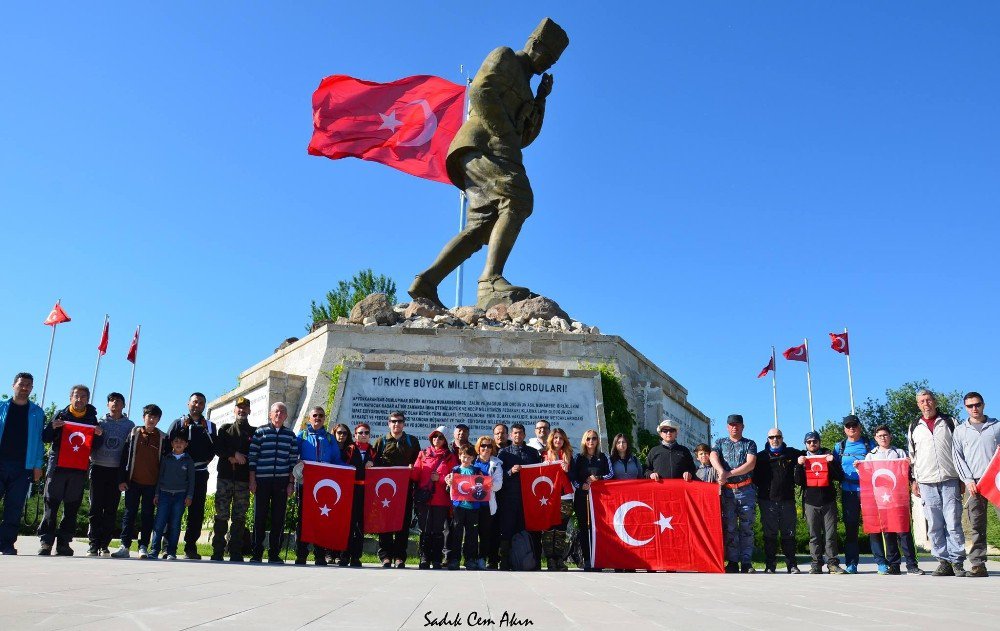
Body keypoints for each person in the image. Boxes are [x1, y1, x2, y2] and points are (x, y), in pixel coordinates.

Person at [407, 18, 570, 309]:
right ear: (534, 44)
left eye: (553, 61)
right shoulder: (505, 56)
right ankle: (490, 282)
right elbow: (481, 91)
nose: (548, 64)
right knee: (518, 198)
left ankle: (427, 281)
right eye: (548, 56)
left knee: (482, 226)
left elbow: (526, 136)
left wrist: (541, 101)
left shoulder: (530, 88)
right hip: (481, 145)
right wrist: (504, 134)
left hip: (493, 149)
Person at [908, 389, 966, 577]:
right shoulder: (914, 426)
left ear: (935, 401)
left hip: (950, 478)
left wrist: (963, 477)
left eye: (929, 400)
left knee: (953, 521)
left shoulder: (950, 422)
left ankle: (957, 561)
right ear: (918, 405)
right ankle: (943, 561)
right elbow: (912, 456)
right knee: (934, 523)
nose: (926, 404)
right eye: (922, 401)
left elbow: (961, 450)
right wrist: (914, 480)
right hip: (925, 481)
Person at [39, 384, 100, 556]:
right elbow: (45, 438)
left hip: (78, 469)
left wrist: (99, 435)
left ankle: (64, 543)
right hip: (57, 466)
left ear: (88, 399)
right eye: (76, 396)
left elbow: (95, 447)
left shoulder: (92, 419)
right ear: (70, 398)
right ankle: (46, 541)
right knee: (51, 504)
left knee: (71, 507)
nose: (79, 399)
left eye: (83, 397)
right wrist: (52, 427)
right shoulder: (61, 415)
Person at [857, 425, 922, 575]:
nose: (883, 438)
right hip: (881, 501)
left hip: (898, 499)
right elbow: (867, 475)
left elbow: (909, 473)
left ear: (890, 436)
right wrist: (859, 467)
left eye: (885, 435)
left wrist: (908, 463)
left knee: (904, 532)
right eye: (880, 436)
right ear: (875, 438)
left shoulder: (899, 453)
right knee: (888, 532)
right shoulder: (871, 456)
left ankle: (912, 564)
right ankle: (894, 564)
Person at [952, 391, 1000, 578]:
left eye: (977, 404)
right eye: (970, 406)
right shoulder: (961, 431)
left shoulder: (996, 426)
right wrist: (968, 480)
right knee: (976, 524)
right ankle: (978, 564)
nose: (974, 408)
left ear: (983, 405)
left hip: (996, 480)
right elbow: (958, 457)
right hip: (975, 483)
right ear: (965, 408)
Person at [165, 392, 217, 559]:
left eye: (201, 403)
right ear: (188, 404)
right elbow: (167, 447)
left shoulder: (210, 426)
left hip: (200, 473)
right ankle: (168, 547)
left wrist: (202, 464)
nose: (197, 405)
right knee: (174, 509)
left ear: (204, 406)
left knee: (196, 512)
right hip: (179, 474)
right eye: (195, 402)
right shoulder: (178, 423)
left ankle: (190, 547)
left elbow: (214, 449)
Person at [248, 402, 299, 564]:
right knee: (259, 517)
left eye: (282, 412)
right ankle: (256, 553)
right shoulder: (260, 432)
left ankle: (274, 553)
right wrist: (252, 481)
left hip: (282, 482)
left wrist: (291, 483)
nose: (279, 414)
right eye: (276, 411)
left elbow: (293, 461)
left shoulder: (290, 435)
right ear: (270, 414)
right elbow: (252, 458)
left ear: (286, 416)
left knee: (278, 518)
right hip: (262, 481)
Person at [0, 372, 45, 555]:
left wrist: (37, 465)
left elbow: (39, 441)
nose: (24, 387)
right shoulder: (2, 407)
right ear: (13, 385)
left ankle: (6, 543)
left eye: (28, 385)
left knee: (14, 506)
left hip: (23, 466)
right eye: (21, 384)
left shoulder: (37, 412)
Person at [113, 404, 165, 559]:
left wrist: (160, 487)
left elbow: (164, 463)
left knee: (148, 516)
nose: (151, 419)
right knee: (129, 514)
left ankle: (143, 546)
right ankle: (125, 546)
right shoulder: (134, 433)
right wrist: (121, 479)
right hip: (132, 482)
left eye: (155, 417)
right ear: (144, 417)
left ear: (158, 419)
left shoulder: (163, 437)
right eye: (149, 416)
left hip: (152, 484)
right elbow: (124, 457)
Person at [371, 411, 421, 568]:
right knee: (384, 522)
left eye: (399, 421)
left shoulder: (411, 441)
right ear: (388, 423)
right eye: (393, 421)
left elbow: (419, 462)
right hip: (385, 490)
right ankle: (385, 556)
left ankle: (400, 556)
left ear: (403, 423)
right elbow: (373, 463)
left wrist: (413, 468)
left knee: (403, 523)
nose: (396, 424)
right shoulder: (381, 441)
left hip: (405, 490)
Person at [87, 392, 135, 556]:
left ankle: (104, 544)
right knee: (95, 508)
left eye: (119, 401)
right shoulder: (99, 422)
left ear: (124, 405)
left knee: (111, 510)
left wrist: (126, 476)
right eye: (112, 401)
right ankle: (93, 544)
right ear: (107, 404)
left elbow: (130, 451)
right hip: (98, 467)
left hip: (117, 471)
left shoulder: (130, 425)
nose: (115, 403)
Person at [710, 414, 758, 573]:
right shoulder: (720, 443)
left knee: (746, 527)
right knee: (729, 527)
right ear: (727, 427)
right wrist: (720, 471)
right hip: (728, 492)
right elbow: (712, 455)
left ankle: (746, 562)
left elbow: (750, 464)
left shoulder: (749, 444)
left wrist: (727, 474)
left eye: (737, 425)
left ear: (742, 427)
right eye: (731, 425)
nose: (734, 427)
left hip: (745, 490)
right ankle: (732, 561)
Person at [295, 407, 342, 566]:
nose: (318, 418)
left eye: (321, 416)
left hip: (324, 486)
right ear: (309, 418)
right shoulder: (302, 436)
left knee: (322, 519)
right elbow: (293, 455)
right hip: (305, 484)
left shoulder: (329, 438)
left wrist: (350, 470)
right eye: (315, 415)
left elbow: (337, 460)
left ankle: (320, 555)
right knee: (303, 520)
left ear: (324, 418)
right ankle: (301, 554)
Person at [794, 431, 845, 574]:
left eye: (815, 441)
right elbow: (798, 482)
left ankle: (833, 564)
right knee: (814, 535)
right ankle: (816, 564)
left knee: (831, 535)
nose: (812, 444)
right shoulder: (803, 459)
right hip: (810, 502)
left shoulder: (828, 455)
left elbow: (839, 477)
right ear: (805, 444)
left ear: (819, 442)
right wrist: (798, 466)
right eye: (809, 441)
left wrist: (832, 462)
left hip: (828, 501)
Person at [752, 427, 801, 573]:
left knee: (789, 533)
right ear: (767, 439)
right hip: (767, 501)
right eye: (772, 437)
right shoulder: (760, 457)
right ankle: (770, 565)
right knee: (770, 534)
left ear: (782, 438)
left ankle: (792, 565)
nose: (775, 439)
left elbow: (812, 452)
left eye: (778, 436)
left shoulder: (792, 453)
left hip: (787, 500)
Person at [211, 396, 254, 562]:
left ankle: (235, 551)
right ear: (234, 410)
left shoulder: (254, 432)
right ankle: (218, 551)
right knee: (221, 515)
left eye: (245, 408)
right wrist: (232, 454)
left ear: (249, 410)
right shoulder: (225, 429)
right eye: (239, 408)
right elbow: (218, 447)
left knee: (239, 517)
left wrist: (243, 458)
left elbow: (255, 453)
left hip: (243, 480)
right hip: (225, 478)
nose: (242, 411)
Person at [496, 422, 541, 570]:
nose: (518, 435)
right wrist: (511, 471)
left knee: (527, 530)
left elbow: (539, 473)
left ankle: (528, 561)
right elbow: (498, 475)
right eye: (515, 433)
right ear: (510, 435)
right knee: (507, 529)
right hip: (508, 498)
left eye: (520, 433)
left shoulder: (533, 453)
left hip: (527, 498)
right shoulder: (504, 452)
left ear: (525, 435)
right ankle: (505, 562)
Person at [412, 427, 458, 569]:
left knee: (438, 531)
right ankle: (424, 558)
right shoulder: (423, 454)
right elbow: (415, 476)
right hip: (424, 499)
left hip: (441, 499)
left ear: (445, 440)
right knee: (424, 530)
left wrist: (441, 478)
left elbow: (455, 477)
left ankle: (437, 559)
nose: (437, 439)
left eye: (440, 437)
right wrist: (410, 470)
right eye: (435, 436)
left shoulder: (450, 457)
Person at [148, 431, 195, 560]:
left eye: (181, 442)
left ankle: (171, 551)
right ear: (172, 443)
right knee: (159, 523)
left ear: (186, 444)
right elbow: (159, 477)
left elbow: (192, 481)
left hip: (180, 496)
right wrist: (157, 494)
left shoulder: (189, 460)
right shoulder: (166, 458)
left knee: (175, 524)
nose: (178, 444)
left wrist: (189, 496)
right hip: (164, 494)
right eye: (176, 441)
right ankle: (154, 550)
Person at [571, 429, 612, 571]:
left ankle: (598, 559)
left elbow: (610, 474)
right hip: (583, 498)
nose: (591, 441)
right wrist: (580, 485)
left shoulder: (603, 457)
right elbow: (573, 477)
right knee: (584, 529)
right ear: (584, 441)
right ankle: (587, 559)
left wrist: (599, 478)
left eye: (594, 438)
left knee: (598, 529)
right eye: (588, 438)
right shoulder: (578, 458)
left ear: (597, 441)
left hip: (600, 499)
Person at [339, 422, 374, 567]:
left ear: (369, 435)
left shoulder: (373, 451)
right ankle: (344, 556)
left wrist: (374, 466)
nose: (363, 435)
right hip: (350, 491)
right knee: (347, 524)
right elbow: (340, 465)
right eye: (360, 433)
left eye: (366, 433)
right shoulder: (350, 449)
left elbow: (380, 470)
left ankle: (356, 557)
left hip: (365, 493)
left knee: (360, 526)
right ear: (355, 435)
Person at [539, 428, 573, 570]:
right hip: (548, 497)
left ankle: (559, 558)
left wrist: (568, 470)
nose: (558, 440)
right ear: (551, 440)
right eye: (555, 438)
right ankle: (550, 559)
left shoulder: (570, 455)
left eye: (560, 438)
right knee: (548, 528)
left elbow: (576, 476)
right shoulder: (544, 455)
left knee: (561, 529)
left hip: (565, 495)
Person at [445, 444, 483, 570]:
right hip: (459, 506)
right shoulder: (456, 470)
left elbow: (482, 487)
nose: (465, 459)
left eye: (468, 457)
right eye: (463, 456)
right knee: (456, 533)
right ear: (459, 456)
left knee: (472, 535)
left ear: (473, 458)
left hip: (473, 507)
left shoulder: (476, 470)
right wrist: (449, 482)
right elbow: (449, 486)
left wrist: (486, 482)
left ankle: (470, 559)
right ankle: (454, 559)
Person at [472, 435, 503, 570]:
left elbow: (497, 485)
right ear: (478, 448)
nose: (486, 448)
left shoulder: (496, 464)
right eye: (483, 445)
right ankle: (470, 558)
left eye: (489, 446)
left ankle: (482, 558)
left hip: (487, 505)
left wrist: (482, 483)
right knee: (471, 533)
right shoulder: (471, 462)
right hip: (472, 504)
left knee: (485, 534)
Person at [444, 422, 472, 568]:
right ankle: (448, 557)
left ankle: (468, 558)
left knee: (467, 530)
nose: (461, 434)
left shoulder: (472, 449)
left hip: (468, 498)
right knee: (449, 527)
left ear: (468, 434)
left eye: (464, 432)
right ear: (454, 433)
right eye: (458, 431)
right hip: (448, 492)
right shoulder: (447, 448)